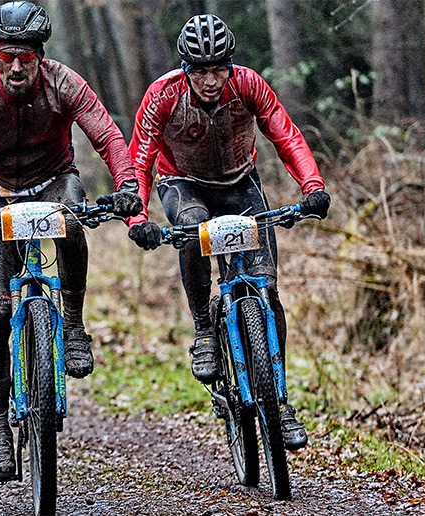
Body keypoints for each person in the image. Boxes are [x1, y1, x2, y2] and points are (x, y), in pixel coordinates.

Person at [0, 1, 143, 481]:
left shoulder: (65, 83)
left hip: (53, 181)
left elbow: (107, 136)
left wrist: (126, 185)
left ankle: (75, 326)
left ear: (41, 55)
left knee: (74, 221)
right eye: (7, 57)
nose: (16, 67)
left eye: (25, 57)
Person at [124, 14, 331, 451]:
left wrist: (312, 187)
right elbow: (139, 157)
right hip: (184, 184)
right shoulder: (163, 95)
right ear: (186, 70)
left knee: (268, 292)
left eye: (219, 69)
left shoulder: (249, 85)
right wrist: (137, 217)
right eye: (200, 71)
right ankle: (204, 332)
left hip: (241, 184)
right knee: (191, 230)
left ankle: (282, 402)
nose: (211, 80)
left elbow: (286, 135)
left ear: (230, 66)